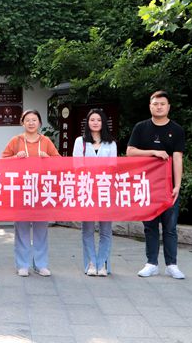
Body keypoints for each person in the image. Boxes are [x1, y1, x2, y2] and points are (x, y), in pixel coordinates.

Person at [127, 90, 186, 279]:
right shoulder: (141, 127)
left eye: (162, 104)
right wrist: (153, 152)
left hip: (168, 187)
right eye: (155, 104)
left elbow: (178, 158)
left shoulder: (177, 130)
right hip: (147, 186)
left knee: (170, 227)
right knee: (150, 226)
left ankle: (172, 265)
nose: (159, 107)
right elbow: (130, 152)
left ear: (168, 107)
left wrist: (177, 185)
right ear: (150, 106)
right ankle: (151, 263)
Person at [2, 109, 59, 277]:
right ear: (22, 123)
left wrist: (48, 158)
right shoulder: (16, 141)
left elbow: (59, 162)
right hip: (22, 190)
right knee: (22, 229)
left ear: (39, 123)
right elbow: (2, 161)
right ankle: (22, 264)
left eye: (34, 120)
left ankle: (41, 264)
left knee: (41, 228)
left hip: (42, 190)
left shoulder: (46, 141)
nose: (31, 123)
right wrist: (14, 158)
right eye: (27, 120)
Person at [72, 109, 117, 277]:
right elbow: (77, 166)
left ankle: (103, 263)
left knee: (105, 230)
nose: (96, 122)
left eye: (99, 119)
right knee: (88, 229)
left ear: (103, 122)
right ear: (88, 122)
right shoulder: (80, 141)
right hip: (87, 189)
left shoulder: (111, 143)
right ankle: (91, 262)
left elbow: (112, 167)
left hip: (105, 190)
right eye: (92, 119)